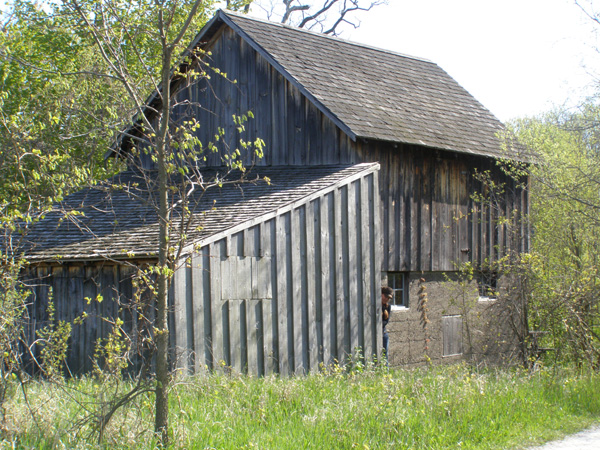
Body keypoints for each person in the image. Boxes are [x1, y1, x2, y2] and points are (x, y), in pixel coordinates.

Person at [381, 286, 393, 364]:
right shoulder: (375, 305)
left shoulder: (388, 307)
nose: (387, 299)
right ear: (381, 294)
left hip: (383, 333)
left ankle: (385, 373)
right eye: (386, 297)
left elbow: (386, 321)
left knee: (385, 355)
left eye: (389, 298)